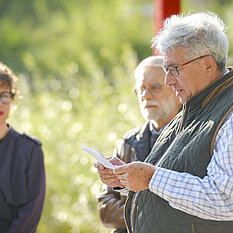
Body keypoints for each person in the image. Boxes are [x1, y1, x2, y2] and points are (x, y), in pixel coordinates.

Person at [95, 12, 233, 233]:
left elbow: (227, 200)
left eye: (174, 69)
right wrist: (127, 178)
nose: (168, 80)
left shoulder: (228, 114)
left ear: (207, 65)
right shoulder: (196, 106)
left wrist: (151, 178)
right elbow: (175, 185)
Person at [97, 56, 181, 233]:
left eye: (155, 87)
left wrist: (133, 211)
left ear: (176, 88)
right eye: (141, 89)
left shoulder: (194, 134)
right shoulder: (129, 142)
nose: (146, 95)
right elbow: (106, 210)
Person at [0, 62, 46, 233]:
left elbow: (31, 211)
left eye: (4, 95)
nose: (0, 103)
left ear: (12, 99)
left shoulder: (30, 150)